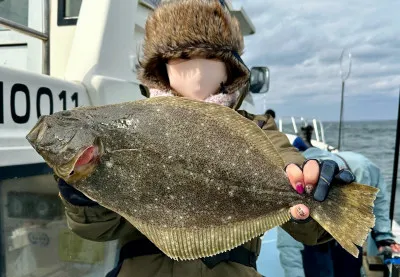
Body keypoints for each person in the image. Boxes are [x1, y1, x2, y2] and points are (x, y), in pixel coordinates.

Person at [56, 1, 351, 276]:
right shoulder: (133, 126)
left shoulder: (257, 129)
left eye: (210, 56)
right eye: (183, 57)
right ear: (163, 67)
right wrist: (84, 198)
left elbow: (310, 225)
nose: (196, 70)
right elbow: (99, 231)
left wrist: (319, 193)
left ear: (230, 66)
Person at [277, 141, 400, 277]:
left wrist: (383, 237)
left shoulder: (364, 169)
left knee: (351, 268)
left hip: (348, 229)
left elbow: (379, 199)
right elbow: (289, 245)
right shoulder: (294, 187)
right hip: (313, 233)